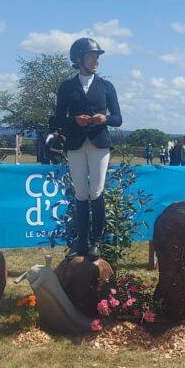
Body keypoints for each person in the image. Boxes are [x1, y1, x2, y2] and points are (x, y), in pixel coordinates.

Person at [53, 37, 122, 260]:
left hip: (99, 144)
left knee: (97, 191)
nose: (96, 61)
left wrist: (105, 118)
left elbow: (118, 118)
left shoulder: (106, 86)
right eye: (92, 56)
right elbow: (56, 120)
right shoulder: (66, 87)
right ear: (79, 58)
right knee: (81, 193)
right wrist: (75, 120)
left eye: (97, 57)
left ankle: (96, 241)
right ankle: (81, 241)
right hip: (75, 143)